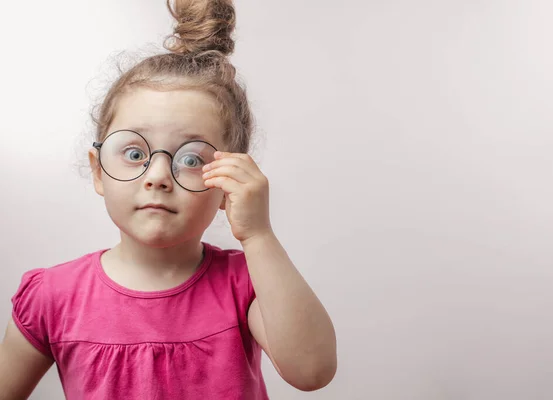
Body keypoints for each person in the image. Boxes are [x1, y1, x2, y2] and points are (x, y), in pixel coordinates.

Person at [0, 0, 337, 398]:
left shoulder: (246, 283)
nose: (158, 177)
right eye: (135, 154)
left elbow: (311, 371)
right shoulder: (53, 295)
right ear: (98, 171)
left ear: (228, 179)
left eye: (191, 158)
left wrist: (258, 235)